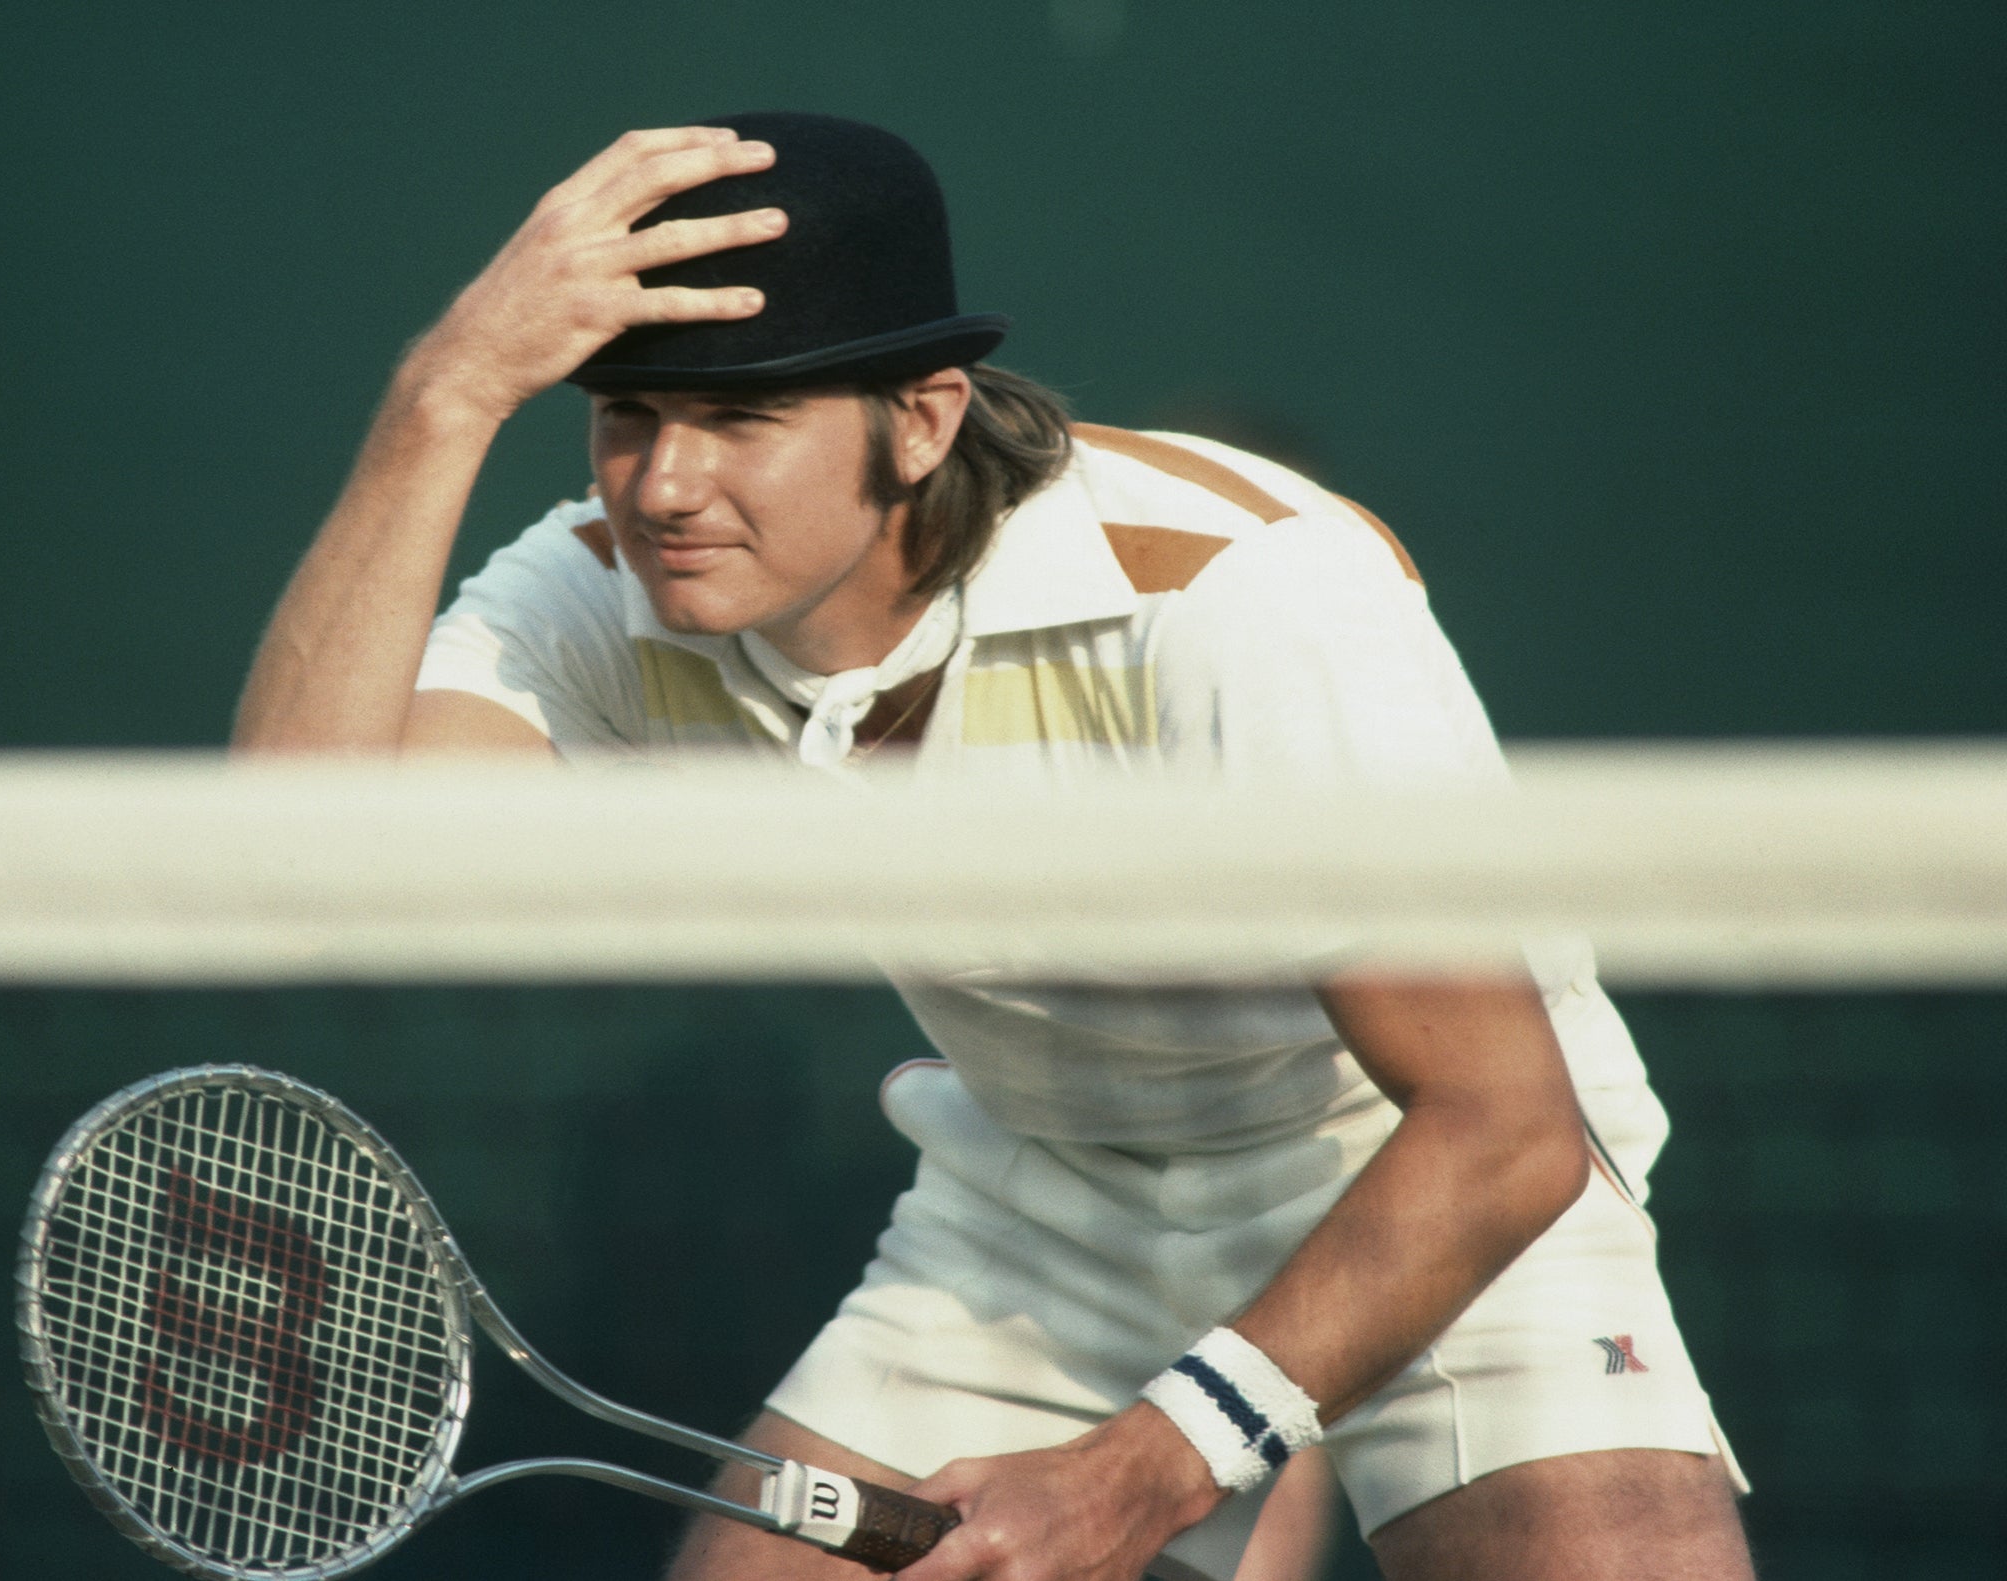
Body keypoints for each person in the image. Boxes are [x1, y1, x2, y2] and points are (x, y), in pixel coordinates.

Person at [232, 112, 1752, 1581]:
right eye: (628, 416)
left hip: (1420, 1167)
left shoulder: (1242, 598)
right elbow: (292, 871)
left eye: (743, 417)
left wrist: (1153, 1463)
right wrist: (446, 392)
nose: (665, 484)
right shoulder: (595, 583)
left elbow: (1503, 1124)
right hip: (1046, 1193)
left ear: (924, 416)